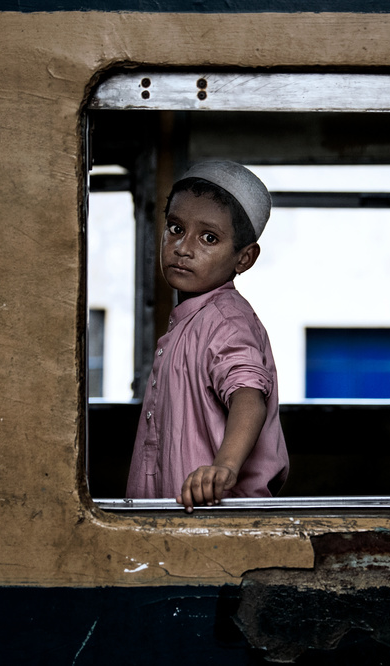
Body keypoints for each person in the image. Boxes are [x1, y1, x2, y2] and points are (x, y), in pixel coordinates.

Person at [125, 161, 289, 512]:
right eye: (175, 228)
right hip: (180, 523)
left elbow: (248, 395)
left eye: (209, 238)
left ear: (244, 258)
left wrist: (224, 467)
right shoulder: (189, 319)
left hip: (219, 522)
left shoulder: (225, 319)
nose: (183, 248)